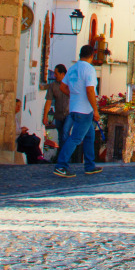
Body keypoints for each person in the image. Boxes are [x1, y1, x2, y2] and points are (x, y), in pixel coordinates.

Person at [53, 45, 101, 177]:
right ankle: (61, 165)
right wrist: (95, 110)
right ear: (91, 55)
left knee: (90, 136)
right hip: (85, 111)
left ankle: (90, 166)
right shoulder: (89, 69)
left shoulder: (73, 68)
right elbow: (90, 90)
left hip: (74, 108)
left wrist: (74, 94)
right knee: (75, 138)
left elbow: (63, 87)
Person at [42, 64, 70, 150]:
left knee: (65, 132)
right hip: (58, 115)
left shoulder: (70, 84)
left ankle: (65, 157)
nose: (54, 75)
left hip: (69, 114)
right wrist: (45, 116)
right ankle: (63, 156)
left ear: (63, 74)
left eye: (56, 73)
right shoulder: (52, 86)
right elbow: (49, 101)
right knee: (61, 136)